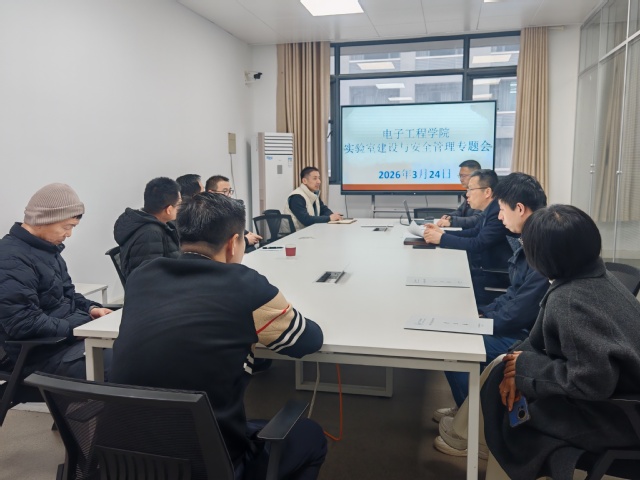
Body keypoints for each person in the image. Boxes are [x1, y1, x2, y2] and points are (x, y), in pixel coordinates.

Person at [110, 192, 327, 480]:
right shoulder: (247, 286)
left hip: (123, 461)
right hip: (209, 464)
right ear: (233, 243)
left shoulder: (141, 277)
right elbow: (307, 341)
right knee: (311, 435)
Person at [479, 204, 640, 480]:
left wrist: (524, 368)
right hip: (619, 402)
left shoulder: (569, 300)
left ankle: (479, 446)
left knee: (508, 413)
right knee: (500, 374)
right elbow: (538, 339)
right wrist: (514, 366)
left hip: (617, 418)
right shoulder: (594, 277)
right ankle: (475, 440)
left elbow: (591, 381)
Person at [432, 173, 550, 459]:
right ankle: (468, 412)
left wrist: (479, 323)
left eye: (502, 209)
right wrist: (483, 313)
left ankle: (478, 433)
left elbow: (519, 312)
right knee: (456, 337)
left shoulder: (543, 247)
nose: (498, 216)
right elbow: (514, 294)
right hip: (524, 327)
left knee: (454, 348)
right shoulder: (532, 238)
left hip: (530, 341)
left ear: (519, 209)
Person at [0, 183, 112, 379]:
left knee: (139, 348)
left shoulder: (46, 250)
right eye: (66, 227)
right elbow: (23, 322)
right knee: (127, 364)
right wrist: (76, 329)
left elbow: (68, 294)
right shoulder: (10, 258)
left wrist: (91, 309)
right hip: (41, 354)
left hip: (66, 341)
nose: (69, 234)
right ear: (42, 220)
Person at [423, 169, 513, 304]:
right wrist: (443, 233)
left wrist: (441, 239)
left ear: (487, 192)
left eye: (471, 189)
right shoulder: (490, 209)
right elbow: (474, 232)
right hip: (485, 269)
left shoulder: (497, 213)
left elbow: (477, 244)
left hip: (495, 275)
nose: (467, 194)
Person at [113, 177, 181, 281]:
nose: (181, 208)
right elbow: (150, 280)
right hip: (160, 289)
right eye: (179, 204)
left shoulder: (159, 225)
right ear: (169, 209)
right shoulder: (150, 234)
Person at [206, 175, 262, 250]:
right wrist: (246, 240)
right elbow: (221, 243)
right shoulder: (207, 213)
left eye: (230, 191)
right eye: (225, 191)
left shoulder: (226, 209)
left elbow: (233, 229)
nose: (229, 195)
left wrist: (247, 233)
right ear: (211, 193)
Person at [436, 160, 482, 229]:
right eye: (460, 176)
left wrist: (452, 221)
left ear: (475, 176)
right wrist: (449, 216)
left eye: (463, 176)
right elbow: (460, 211)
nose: (461, 179)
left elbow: (476, 219)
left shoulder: (481, 195)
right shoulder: (469, 193)